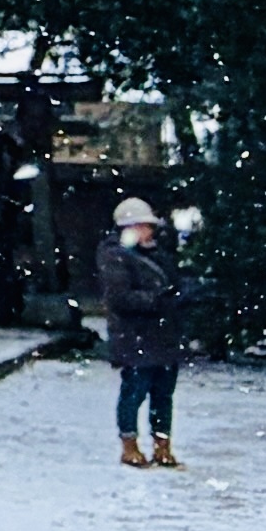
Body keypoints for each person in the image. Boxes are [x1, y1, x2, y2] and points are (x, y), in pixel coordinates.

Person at [96, 198, 189, 469]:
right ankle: (130, 446)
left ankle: (162, 446)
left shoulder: (155, 254)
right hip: (135, 336)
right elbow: (120, 298)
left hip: (161, 336)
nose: (150, 232)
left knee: (163, 395)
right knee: (134, 392)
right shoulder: (115, 255)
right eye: (145, 226)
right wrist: (159, 299)